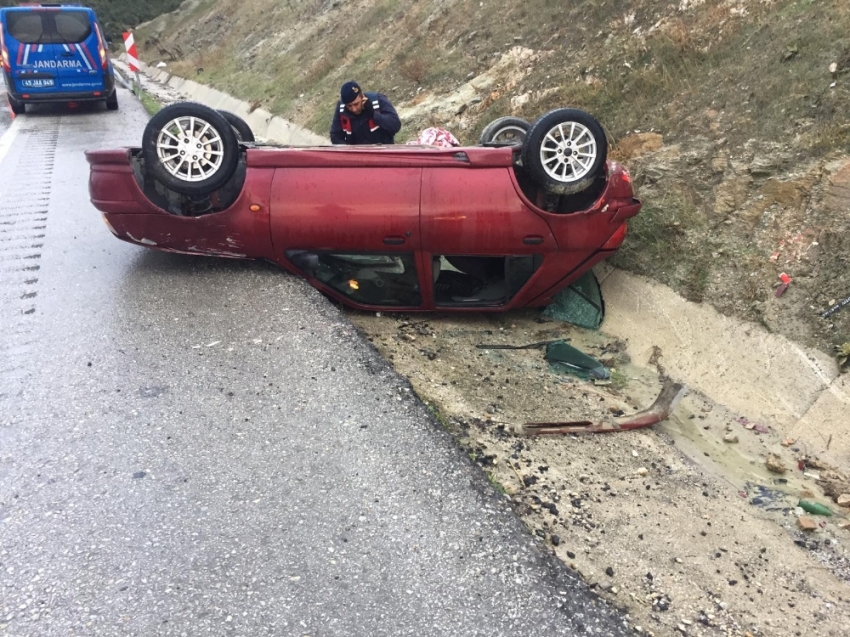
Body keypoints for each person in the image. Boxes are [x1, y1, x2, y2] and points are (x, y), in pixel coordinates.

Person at [330, 81, 401, 145]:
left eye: (356, 104)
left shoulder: (378, 100)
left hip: (382, 153)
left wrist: (373, 114)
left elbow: (395, 125)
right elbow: (335, 136)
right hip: (357, 155)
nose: (354, 109)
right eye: (349, 106)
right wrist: (349, 150)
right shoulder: (341, 108)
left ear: (362, 97)